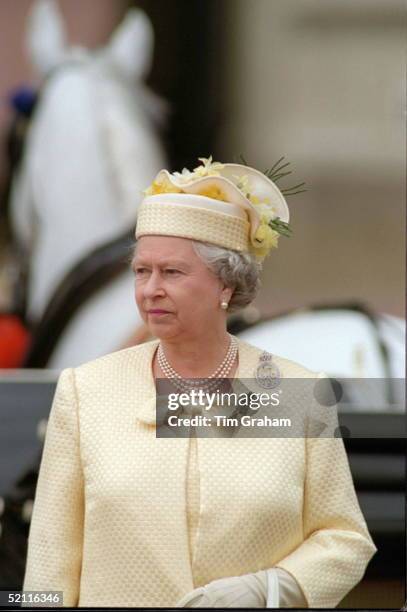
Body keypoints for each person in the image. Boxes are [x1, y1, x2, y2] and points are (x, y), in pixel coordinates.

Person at [23, 157, 377, 608]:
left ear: (225, 285)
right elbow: (50, 560)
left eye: (172, 272)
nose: (150, 289)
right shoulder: (85, 390)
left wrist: (271, 589)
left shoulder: (298, 392)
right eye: (141, 271)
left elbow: (345, 537)